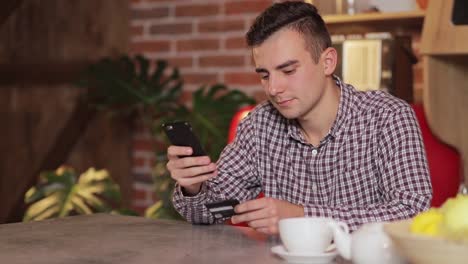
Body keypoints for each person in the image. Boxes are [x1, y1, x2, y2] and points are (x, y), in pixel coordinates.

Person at [167, 1, 432, 234]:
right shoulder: (259, 126)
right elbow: (208, 214)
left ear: (327, 62)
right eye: (264, 74)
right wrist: (194, 188)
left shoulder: (388, 117)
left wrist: (302, 216)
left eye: (288, 70)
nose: (273, 88)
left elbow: (413, 215)